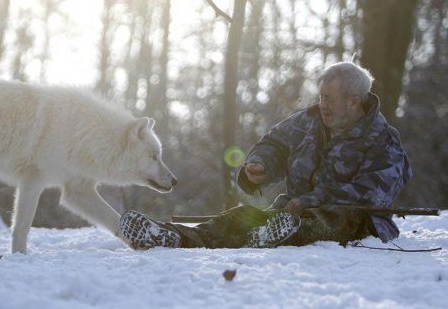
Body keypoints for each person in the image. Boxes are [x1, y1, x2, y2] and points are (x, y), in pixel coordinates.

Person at [119, 62, 412, 249]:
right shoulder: (308, 120)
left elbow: (370, 196)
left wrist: (310, 201)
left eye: (329, 99)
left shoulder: (385, 142)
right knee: (241, 217)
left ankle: (276, 233)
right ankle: (172, 236)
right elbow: (274, 143)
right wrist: (260, 165)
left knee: (334, 218)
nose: (322, 105)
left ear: (354, 101)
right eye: (321, 97)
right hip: (288, 213)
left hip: (355, 223)